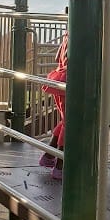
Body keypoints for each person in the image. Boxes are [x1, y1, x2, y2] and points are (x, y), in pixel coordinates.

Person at [40, 31, 68, 179]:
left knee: (65, 121)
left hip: (60, 78)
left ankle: (48, 156)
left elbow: (58, 57)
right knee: (69, 124)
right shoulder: (80, 33)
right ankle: (60, 167)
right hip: (69, 79)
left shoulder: (67, 35)